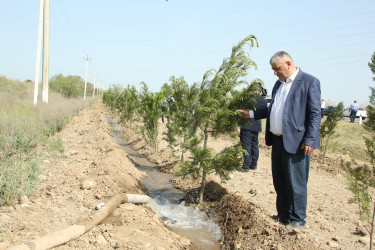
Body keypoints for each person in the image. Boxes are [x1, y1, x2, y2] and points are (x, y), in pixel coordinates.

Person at [238, 51, 321, 229]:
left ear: (288, 63)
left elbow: (315, 114)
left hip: (297, 142)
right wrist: (250, 114)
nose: (275, 73)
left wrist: (310, 139)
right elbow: (272, 110)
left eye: (277, 69)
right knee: (280, 181)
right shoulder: (278, 85)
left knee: (296, 184)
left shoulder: (309, 82)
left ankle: (298, 219)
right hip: (277, 141)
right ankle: (283, 215)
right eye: (273, 70)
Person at [239, 85, 268, 172]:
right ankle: (254, 165)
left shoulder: (249, 99)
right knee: (255, 146)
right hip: (256, 126)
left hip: (247, 125)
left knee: (246, 146)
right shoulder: (263, 100)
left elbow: (241, 109)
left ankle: (246, 166)